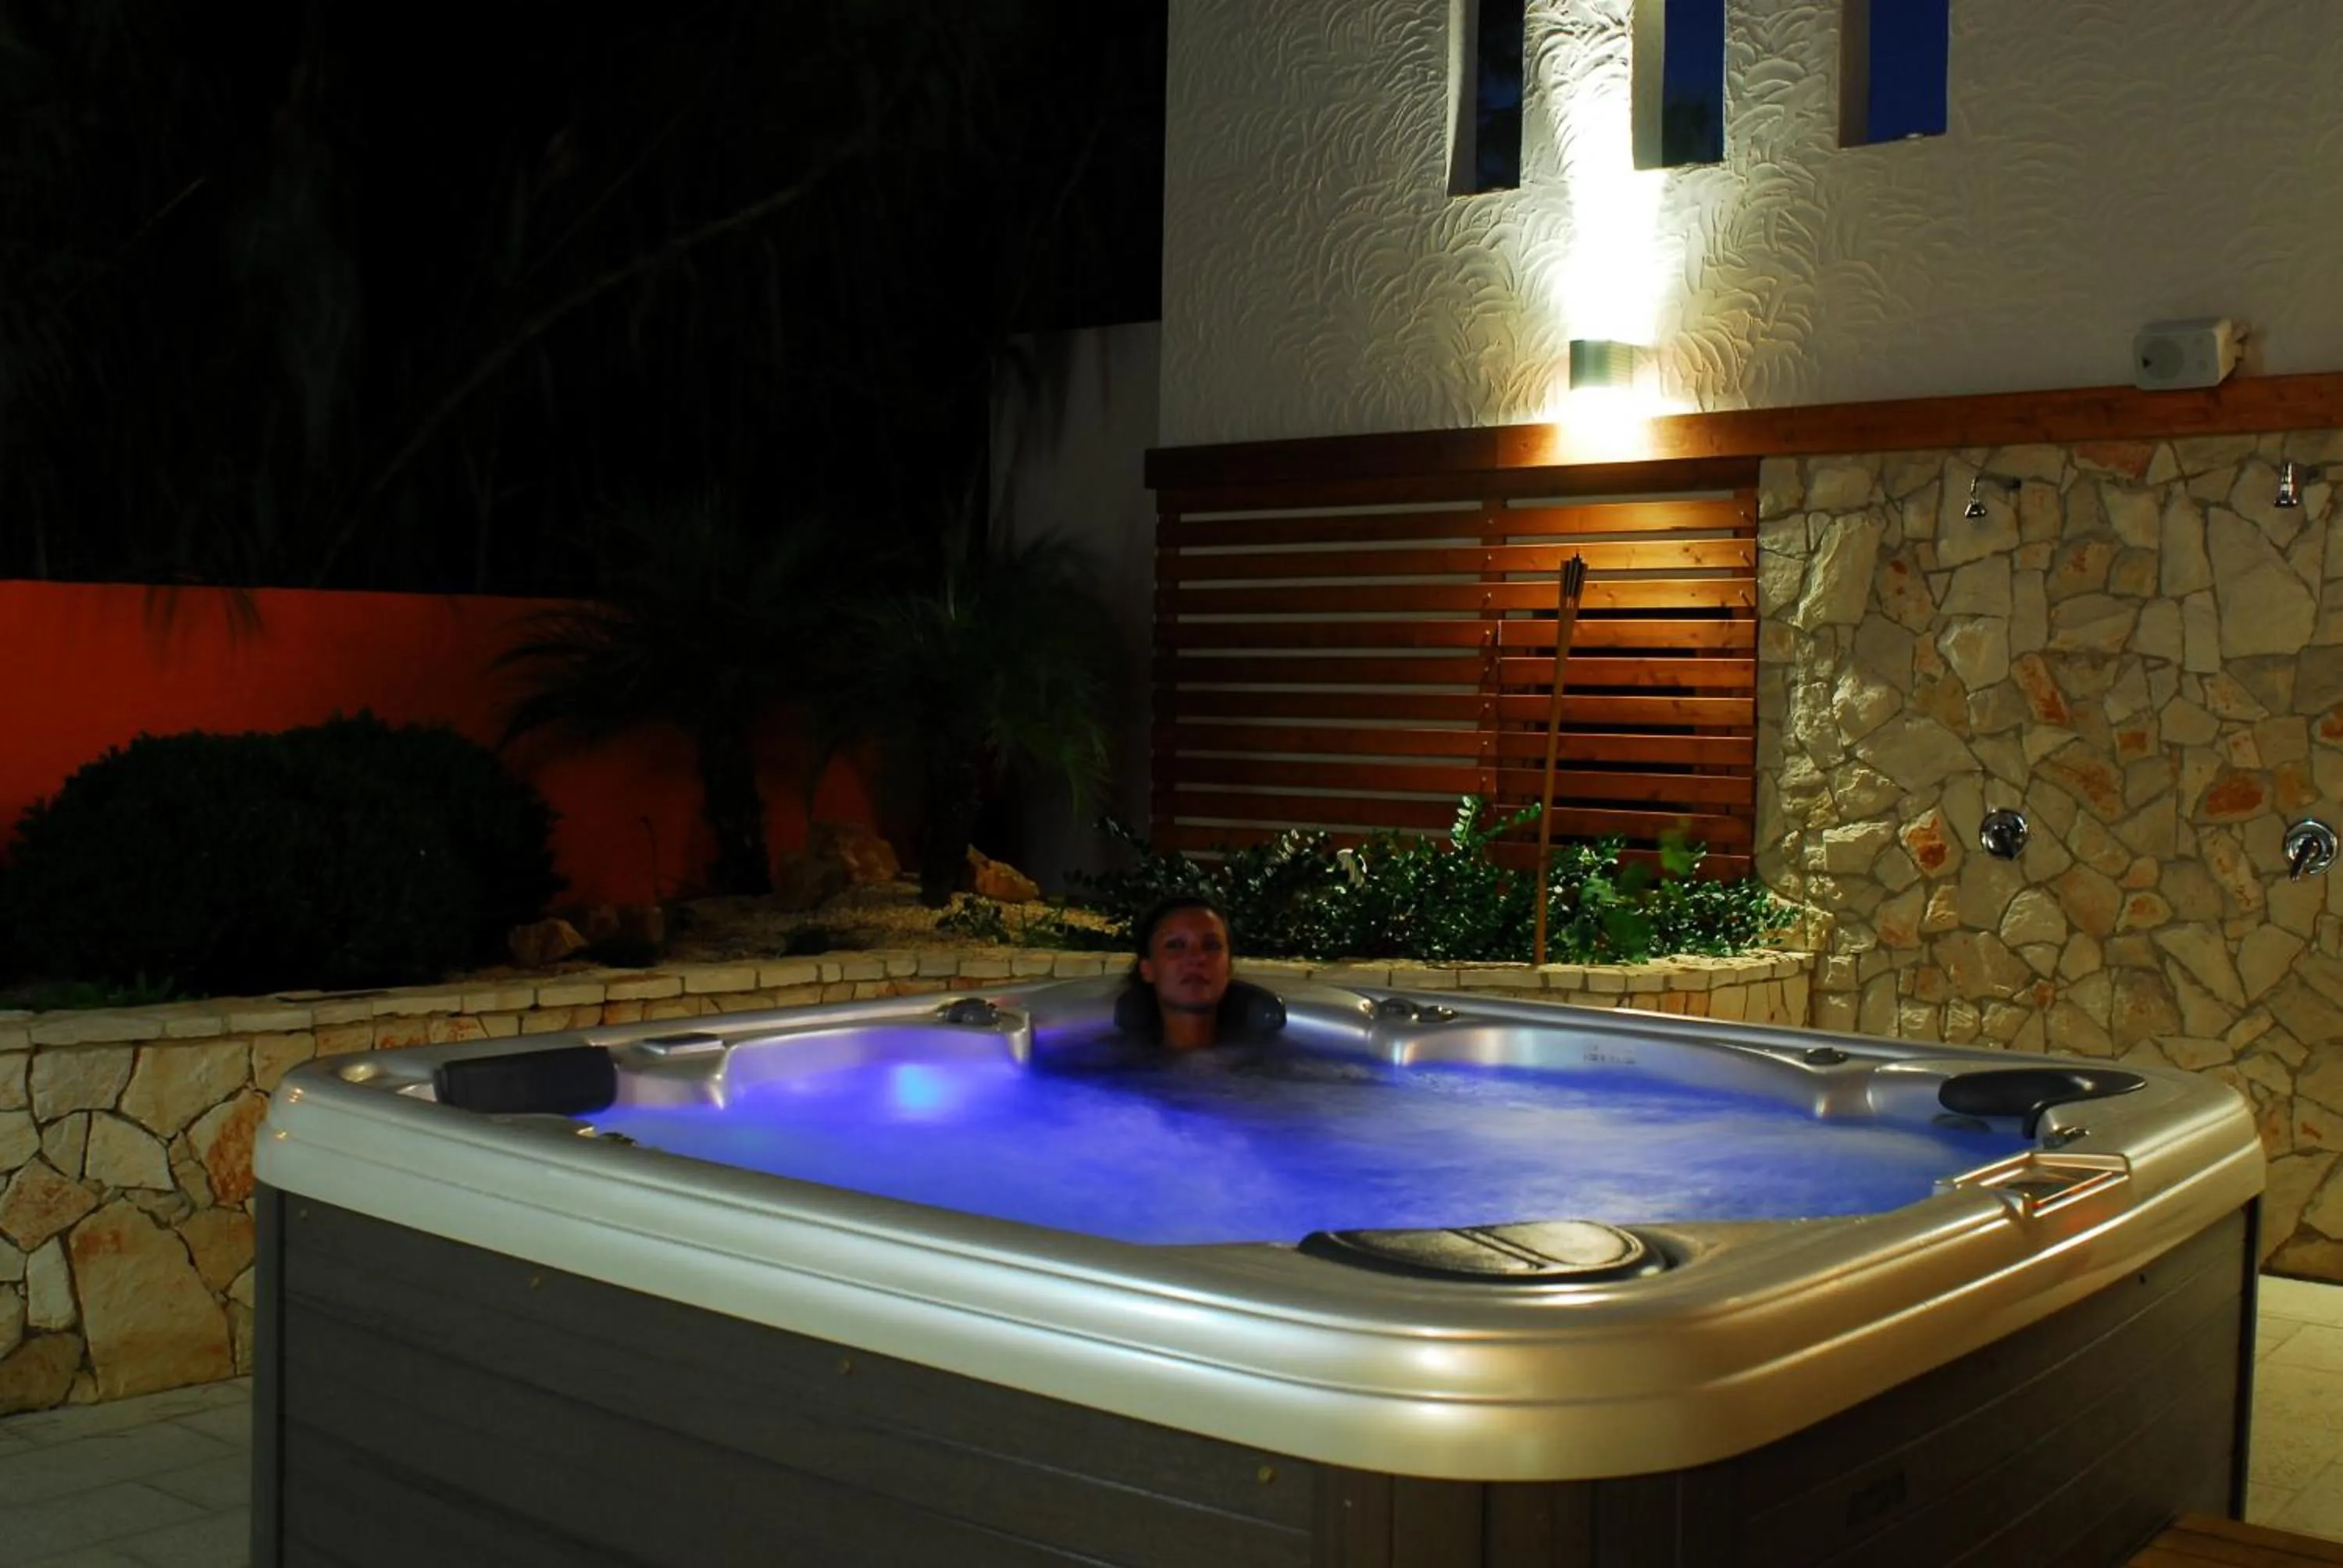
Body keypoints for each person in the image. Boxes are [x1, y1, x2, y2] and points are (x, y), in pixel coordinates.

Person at [1119, 894, 1236, 1049]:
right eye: (1175, 945)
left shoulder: (1267, 1063)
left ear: (1228, 969)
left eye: (1211, 945)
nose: (1197, 957)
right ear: (1147, 969)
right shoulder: (1108, 1065)